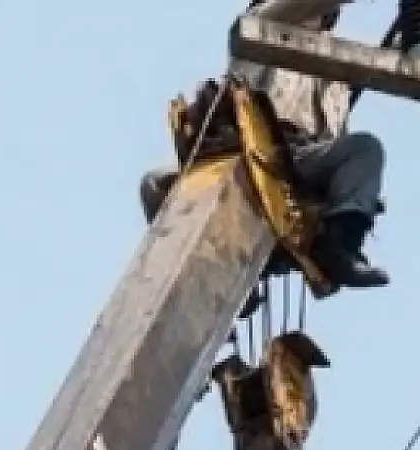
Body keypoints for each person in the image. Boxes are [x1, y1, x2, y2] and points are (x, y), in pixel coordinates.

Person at [140, 2, 390, 289]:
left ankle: (337, 250)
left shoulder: (335, 66)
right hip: (254, 150)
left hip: (301, 160)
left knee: (364, 149)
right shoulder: (262, 25)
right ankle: (200, 273)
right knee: (155, 184)